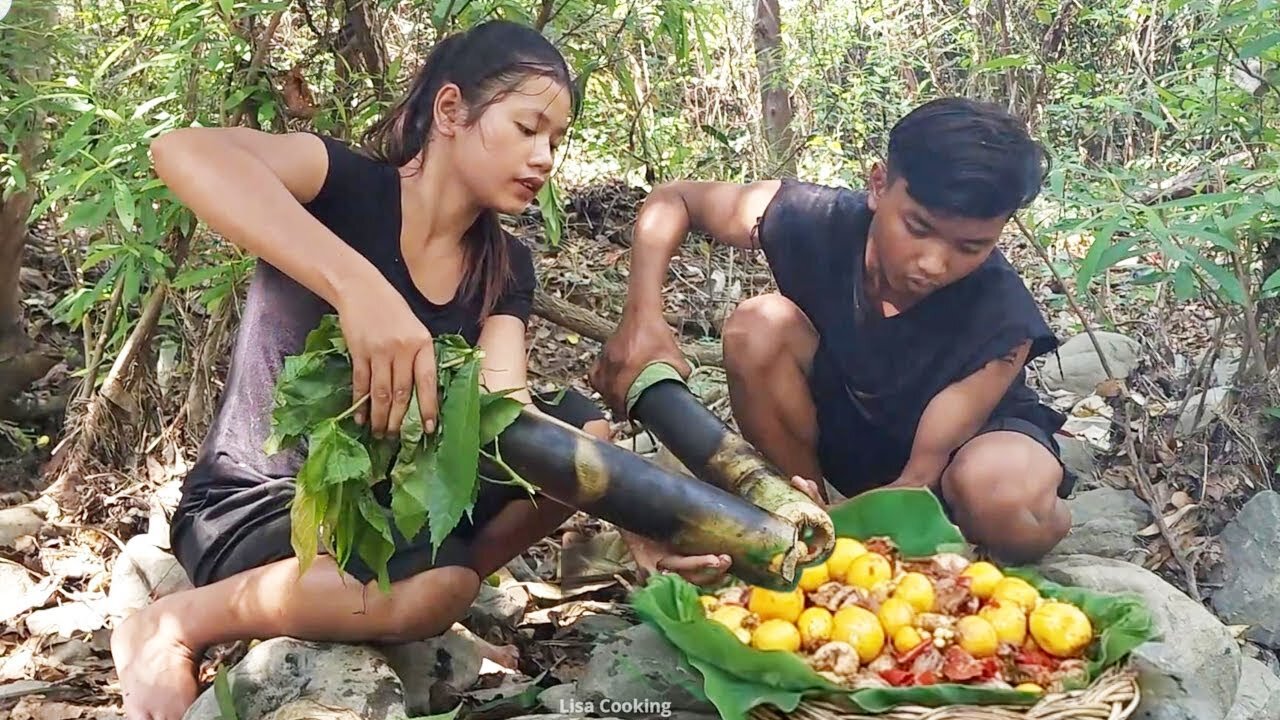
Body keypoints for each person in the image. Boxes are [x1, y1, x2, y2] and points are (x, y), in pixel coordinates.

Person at [110, 21, 610, 720]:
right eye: (528, 127)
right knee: (438, 584)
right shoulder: (342, 184)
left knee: (582, 438)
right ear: (449, 112)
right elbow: (182, 150)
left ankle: (422, 600)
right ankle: (174, 624)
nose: (545, 156)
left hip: (384, 514)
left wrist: (639, 510)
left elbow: (508, 409)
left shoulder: (504, 265)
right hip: (261, 506)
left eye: (556, 139)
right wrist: (356, 285)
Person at [593, 97, 1074, 580]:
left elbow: (919, 476)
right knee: (757, 324)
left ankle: (1029, 502)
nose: (934, 263)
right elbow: (675, 198)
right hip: (848, 432)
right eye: (918, 228)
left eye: (971, 246)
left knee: (1006, 502)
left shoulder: (1003, 317)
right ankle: (803, 503)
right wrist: (642, 321)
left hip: (960, 456)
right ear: (880, 184)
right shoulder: (816, 219)